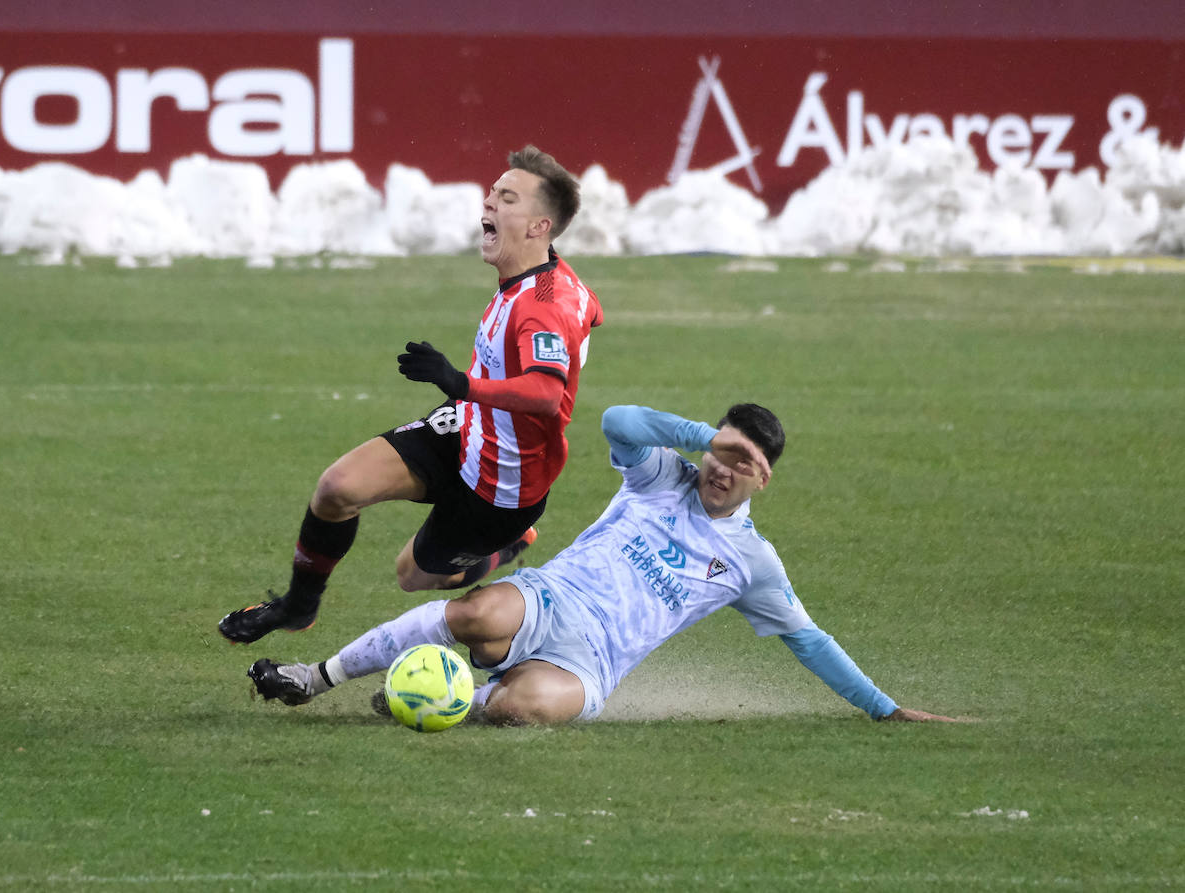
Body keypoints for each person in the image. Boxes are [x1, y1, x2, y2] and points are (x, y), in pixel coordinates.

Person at [244, 403, 959, 725]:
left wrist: (885, 707)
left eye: (746, 464)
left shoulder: (751, 563)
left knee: (527, 708)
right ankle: (315, 678)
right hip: (550, 599)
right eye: (723, 451)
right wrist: (699, 436)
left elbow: (810, 639)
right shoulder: (661, 475)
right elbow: (617, 419)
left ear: (762, 480)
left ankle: (454, 696)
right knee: (474, 614)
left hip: (591, 665)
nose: (724, 468)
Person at [219, 145, 604, 644]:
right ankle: (297, 606)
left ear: (538, 227)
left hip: (505, 481)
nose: (488, 203)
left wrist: (458, 382)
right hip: (467, 424)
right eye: (492, 192)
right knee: (337, 489)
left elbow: (547, 394)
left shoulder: (541, 305)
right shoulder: (542, 280)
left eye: (506, 199)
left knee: (414, 576)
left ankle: (505, 546)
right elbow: (590, 310)